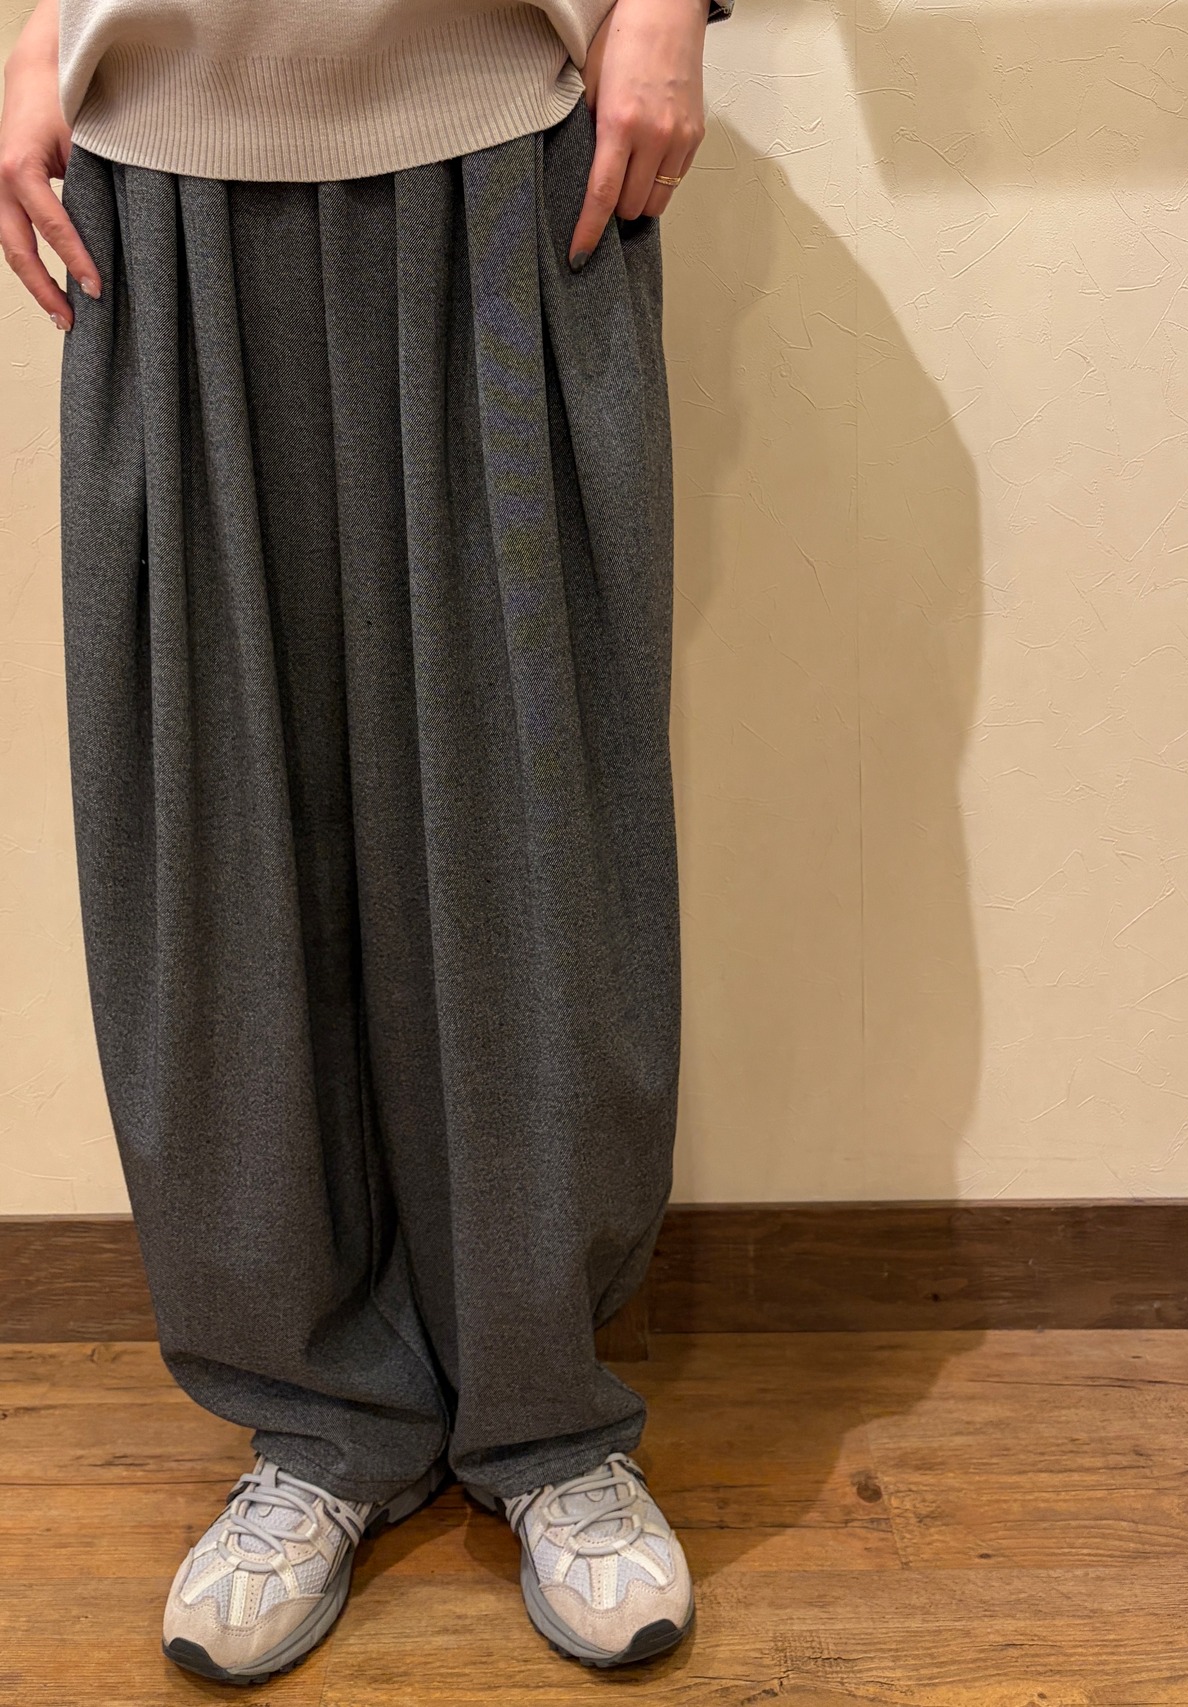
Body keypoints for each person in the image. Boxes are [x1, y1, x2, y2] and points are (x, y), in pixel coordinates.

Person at [0, 0, 731, 1682]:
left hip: (509, 126)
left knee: (533, 833)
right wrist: (35, 37)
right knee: (219, 833)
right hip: (157, 152)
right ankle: (315, 1423)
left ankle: (547, 1419)